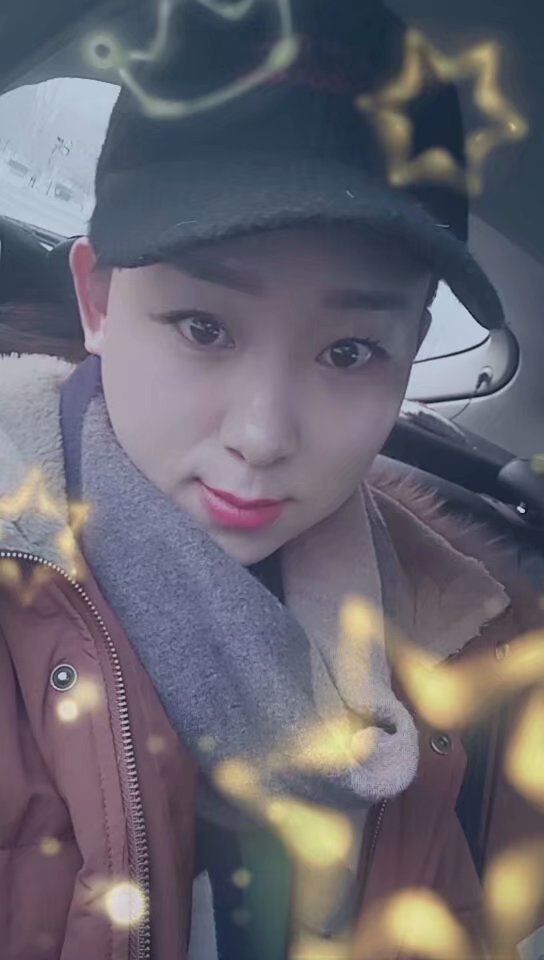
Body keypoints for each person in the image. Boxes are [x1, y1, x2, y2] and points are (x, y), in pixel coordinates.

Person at [1, 2, 543, 959]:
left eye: (349, 351)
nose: (261, 437)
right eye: (204, 327)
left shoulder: (466, 660)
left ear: (408, 359)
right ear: (97, 300)